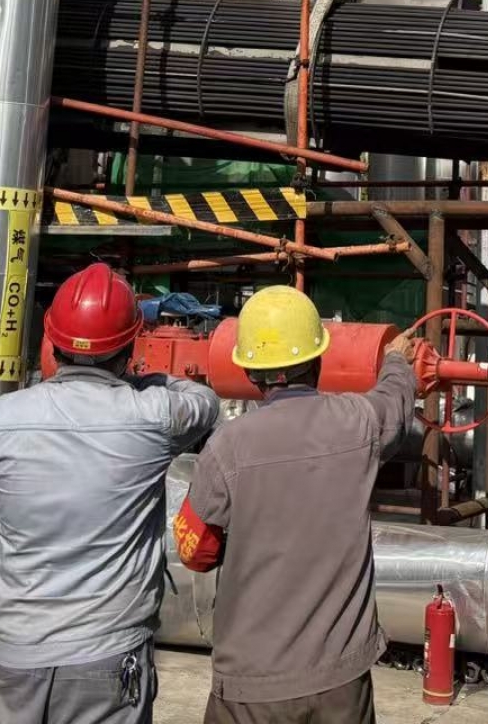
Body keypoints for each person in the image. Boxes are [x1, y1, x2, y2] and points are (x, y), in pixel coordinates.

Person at [0, 262, 220, 724]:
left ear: (52, 340)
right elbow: (205, 404)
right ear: (130, 347)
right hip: (109, 653)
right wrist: (145, 379)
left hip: (17, 651)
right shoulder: (153, 414)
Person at [173, 286, 418, 724]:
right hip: (340, 682)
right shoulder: (358, 422)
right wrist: (397, 360)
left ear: (250, 372)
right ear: (319, 360)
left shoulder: (227, 446)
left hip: (251, 687)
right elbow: (395, 405)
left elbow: (195, 552)